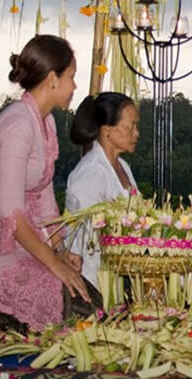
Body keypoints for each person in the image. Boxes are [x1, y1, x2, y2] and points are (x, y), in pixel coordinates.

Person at [0, 35, 93, 342]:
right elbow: (12, 218)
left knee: (89, 306)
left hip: (22, 246)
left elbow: (44, 200)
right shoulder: (17, 124)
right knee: (73, 316)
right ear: (52, 79)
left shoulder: (45, 124)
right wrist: (54, 263)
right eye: (72, 77)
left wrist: (60, 251)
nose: (74, 87)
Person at [66, 92, 139, 286]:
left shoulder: (123, 167)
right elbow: (89, 238)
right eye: (131, 126)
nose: (136, 133)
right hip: (93, 279)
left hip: (119, 277)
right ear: (107, 130)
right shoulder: (91, 173)